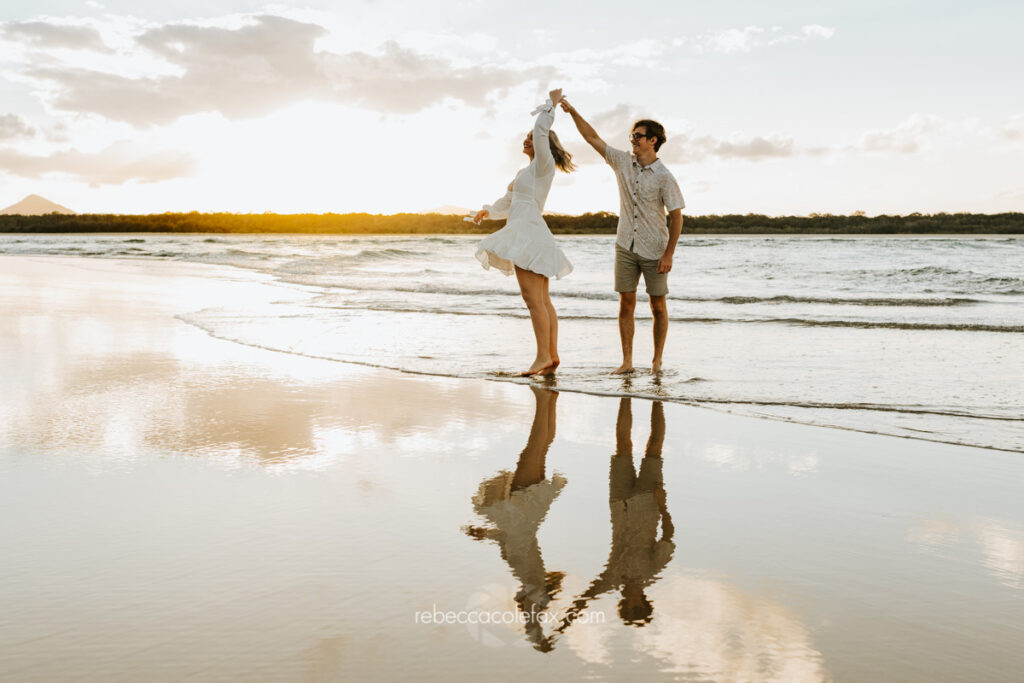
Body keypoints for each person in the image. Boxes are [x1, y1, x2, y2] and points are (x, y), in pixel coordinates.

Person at [560, 99, 685, 374]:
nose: (633, 141)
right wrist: (573, 112)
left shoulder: (665, 176)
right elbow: (592, 137)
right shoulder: (622, 162)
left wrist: (669, 254)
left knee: (658, 306)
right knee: (625, 304)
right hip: (625, 245)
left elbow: (677, 216)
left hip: (655, 249)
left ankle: (656, 362)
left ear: (653, 141)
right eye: (632, 136)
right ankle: (627, 363)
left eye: (638, 136)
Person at [472, 88, 576, 376]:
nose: (527, 139)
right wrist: (487, 212)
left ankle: (543, 357)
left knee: (533, 300)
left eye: (530, 138)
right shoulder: (524, 173)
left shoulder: (544, 166)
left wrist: (550, 106)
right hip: (527, 232)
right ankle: (551, 357)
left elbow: (541, 130)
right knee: (541, 300)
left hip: (528, 234)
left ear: (543, 145)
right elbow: (507, 203)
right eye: (527, 138)